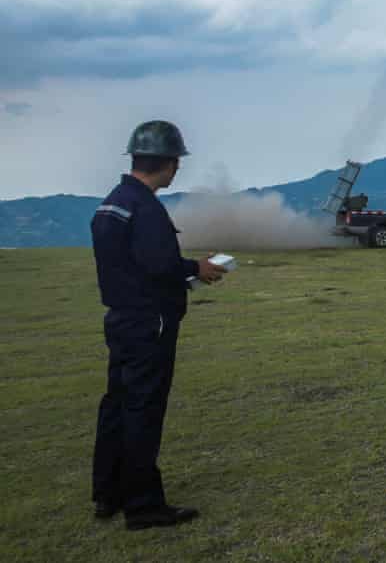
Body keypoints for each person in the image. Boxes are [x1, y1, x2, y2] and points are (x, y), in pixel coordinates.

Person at [90, 120, 228, 530]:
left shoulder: (113, 202)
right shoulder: (146, 207)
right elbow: (160, 265)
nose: (177, 169)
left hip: (121, 318)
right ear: (167, 163)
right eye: (177, 162)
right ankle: (144, 505)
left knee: (116, 404)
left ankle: (107, 493)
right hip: (151, 323)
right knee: (143, 409)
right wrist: (197, 268)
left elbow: (130, 264)